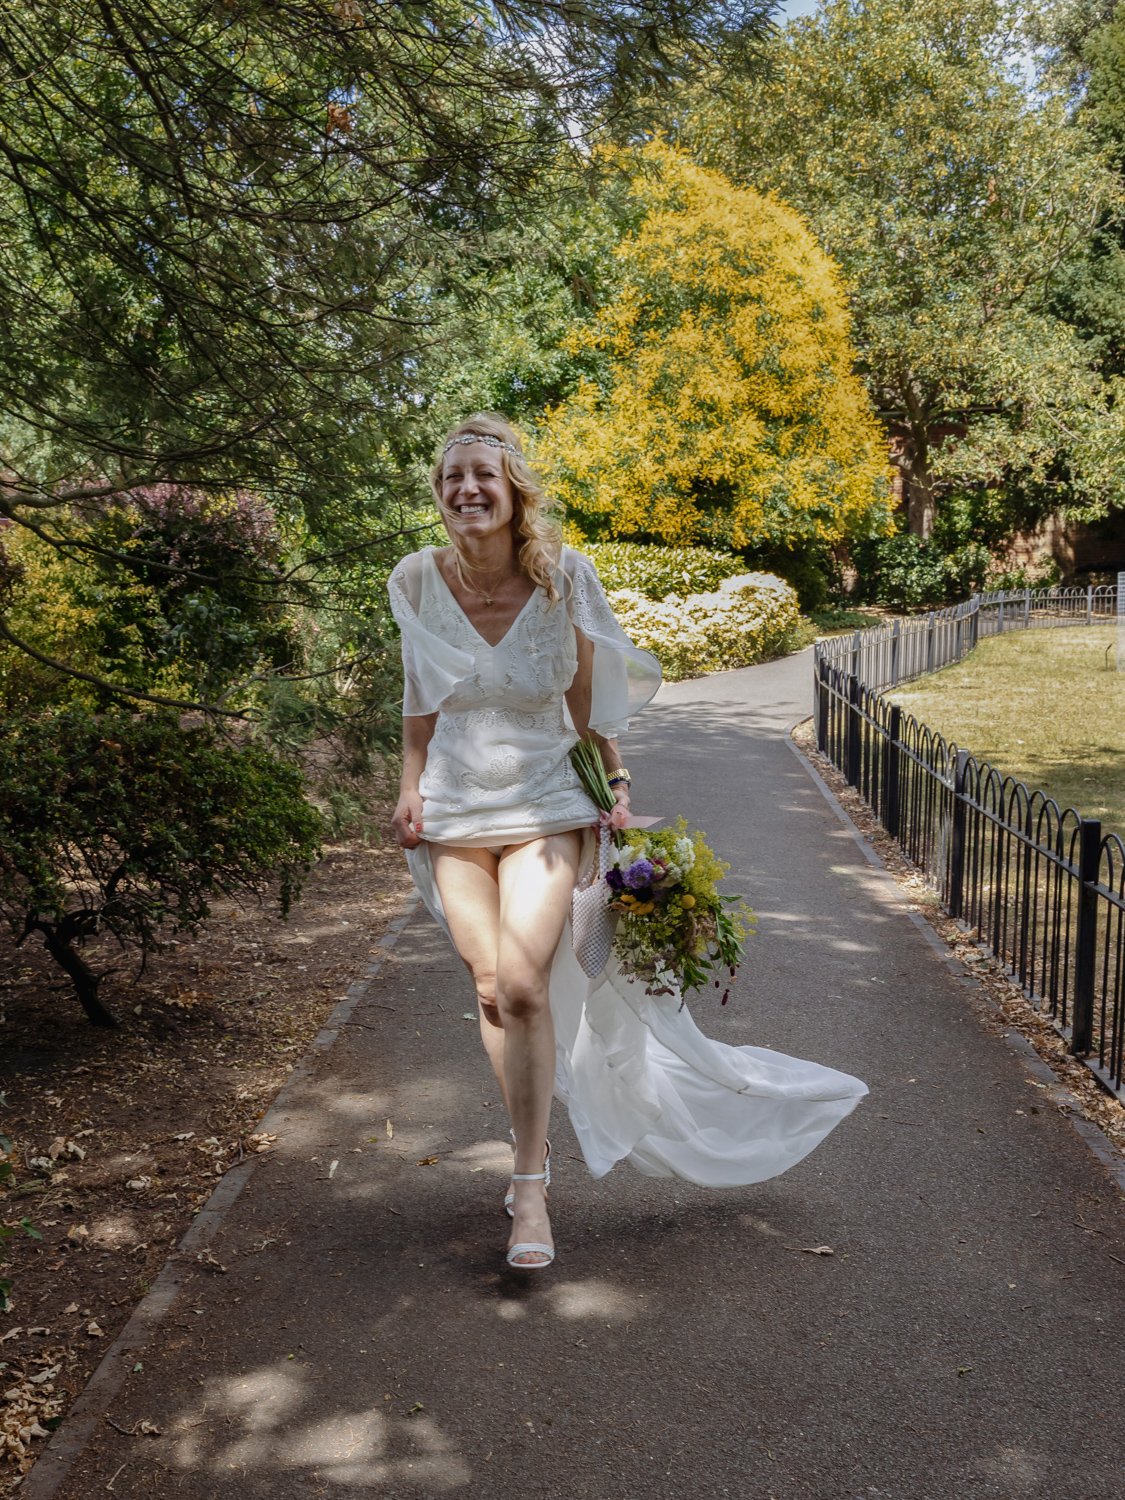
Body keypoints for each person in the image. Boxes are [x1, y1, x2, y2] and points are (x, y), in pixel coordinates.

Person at [389, 413, 867, 1274]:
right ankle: (530, 1136)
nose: (467, 489)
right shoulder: (415, 579)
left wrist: (612, 781)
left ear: (512, 492)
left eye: (483, 475)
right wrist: (407, 785)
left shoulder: (564, 574)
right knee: (492, 988)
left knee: (525, 984)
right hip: (454, 810)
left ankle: (529, 1186)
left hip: (546, 803)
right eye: (452, 476)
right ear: (439, 494)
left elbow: (587, 699)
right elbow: (418, 696)